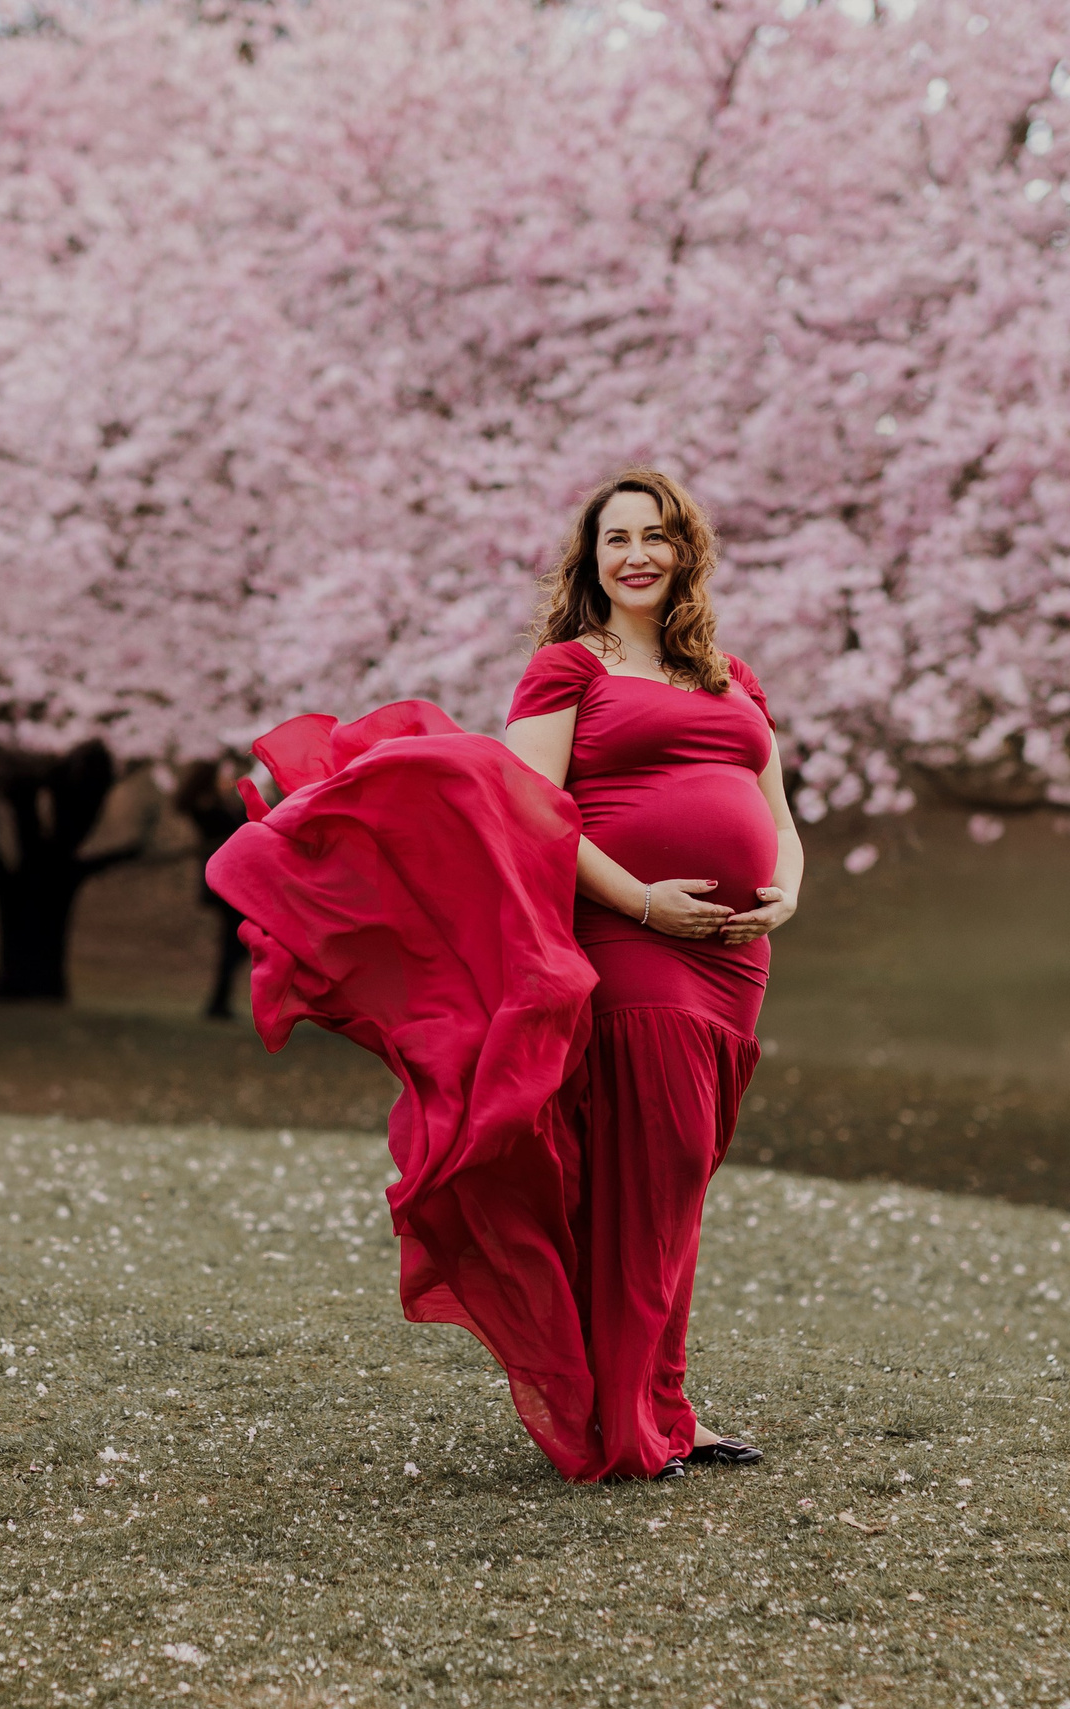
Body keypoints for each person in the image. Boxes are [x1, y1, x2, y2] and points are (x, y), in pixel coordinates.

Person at [207, 468, 800, 1482]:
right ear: (592, 558)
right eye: (616, 539)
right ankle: (627, 1423)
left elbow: (777, 813)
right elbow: (531, 811)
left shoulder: (732, 679)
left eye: (656, 536)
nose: (637, 555)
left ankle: (664, 1406)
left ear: (687, 550)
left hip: (734, 962)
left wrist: (783, 889)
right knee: (650, 1179)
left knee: (679, 1178)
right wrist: (646, 901)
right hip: (632, 941)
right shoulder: (569, 667)